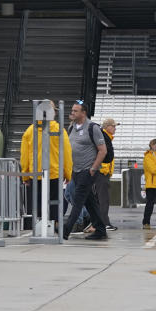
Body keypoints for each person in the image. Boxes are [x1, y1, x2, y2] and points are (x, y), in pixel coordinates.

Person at [20, 100, 72, 230]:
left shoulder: (30, 130)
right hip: (55, 173)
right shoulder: (60, 130)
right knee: (55, 203)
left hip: (35, 173)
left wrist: (25, 175)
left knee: (37, 203)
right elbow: (66, 154)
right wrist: (68, 173)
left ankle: (39, 227)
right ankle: (55, 226)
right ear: (53, 113)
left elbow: (24, 156)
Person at [63, 101, 108, 240]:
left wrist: (93, 168)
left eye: (76, 111)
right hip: (75, 171)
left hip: (87, 171)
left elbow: (103, 150)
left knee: (78, 200)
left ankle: (65, 231)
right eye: (72, 110)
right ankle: (100, 229)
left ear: (83, 113)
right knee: (90, 201)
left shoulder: (92, 127)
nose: (72, 113)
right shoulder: (71, 127)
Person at [90, 118, 118, 233]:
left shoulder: (105, 137)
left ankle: (98, 222)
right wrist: (103, 169)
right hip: (102, 172)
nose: (115, 128)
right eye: (113, 126)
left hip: (102, 172)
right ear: (107, 127)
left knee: (100, 199)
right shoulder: (103, 137)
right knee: (103, 199)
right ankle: (104, 223)